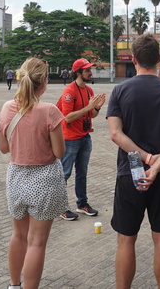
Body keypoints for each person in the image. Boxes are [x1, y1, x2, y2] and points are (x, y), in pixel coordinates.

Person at [106, 34, 160, 289]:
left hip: (129, 174)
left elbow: (115, 134)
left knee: (126, 240)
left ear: (133, 59)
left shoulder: (119, 91)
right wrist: (158, 162)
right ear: (159, 60)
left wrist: (146, 159)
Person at [0, 57, 68, 289]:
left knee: (18, 236)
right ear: (44, 82)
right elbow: (59, 152)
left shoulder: (8, 108)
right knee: (36, 242)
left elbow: (3, 148)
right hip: (44, 180)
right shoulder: (49, 111)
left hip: (16, 177)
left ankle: (13, 285)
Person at [58, 58, 106, 220]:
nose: (90, 72)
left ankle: (82, 204)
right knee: (65, 173)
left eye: (90, 69)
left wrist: (97, 107)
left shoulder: (89, 91)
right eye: (87, 70)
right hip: (70, 139)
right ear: (78, 73)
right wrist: (89, 107)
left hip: (85, 137)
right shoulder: (69, 91)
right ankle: (62, 207)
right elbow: (67, 118)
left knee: (82, 173)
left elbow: (92, 114)